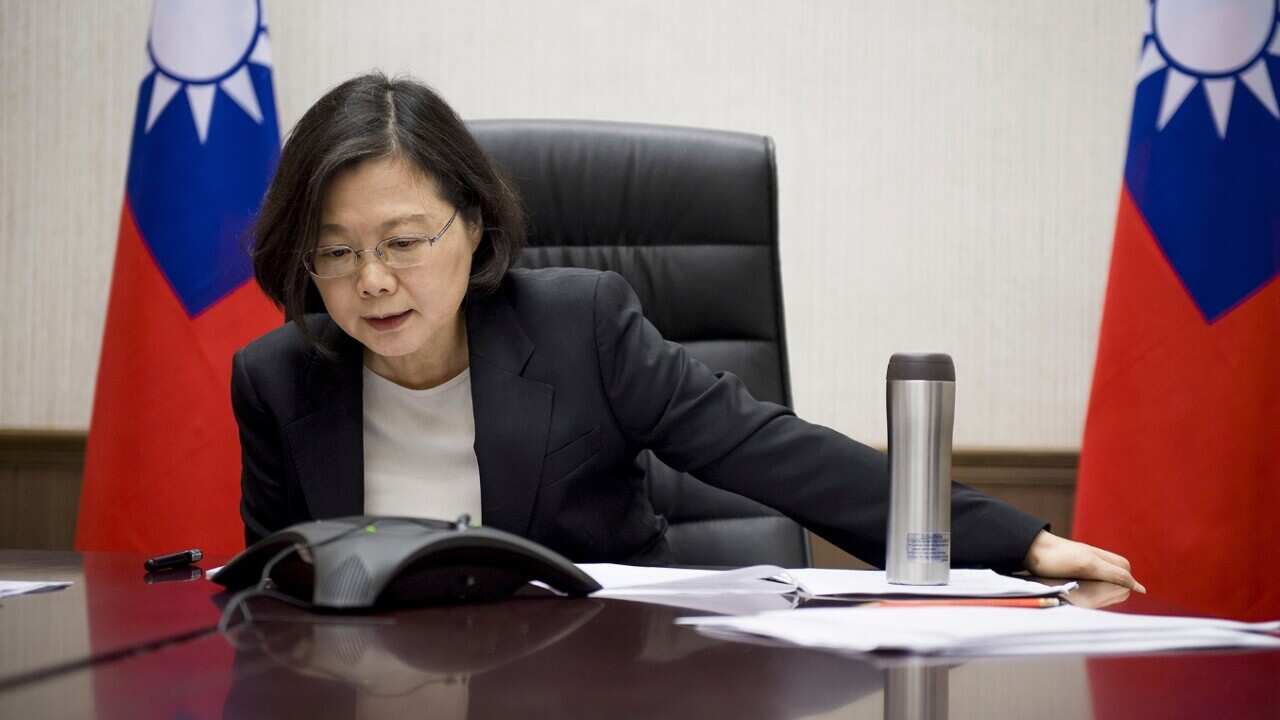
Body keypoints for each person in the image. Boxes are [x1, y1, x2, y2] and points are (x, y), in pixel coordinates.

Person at [233, 72, 1143, 591]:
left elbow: (768, 450)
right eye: (336, 253)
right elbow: (279, 589)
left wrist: (1018, 542)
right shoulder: (278, 378)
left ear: (472, 225)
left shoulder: (579, 325)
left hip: (598, 681)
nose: (373, 281)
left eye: (401, 242)